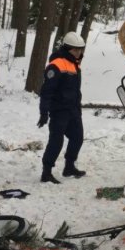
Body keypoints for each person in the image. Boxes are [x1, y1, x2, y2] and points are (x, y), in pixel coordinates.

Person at [37, 32, 87, 183]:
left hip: (73, 110)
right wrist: (44, 112)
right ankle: (46, 172)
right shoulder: (56, 65)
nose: (79, 52)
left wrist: (77, 108)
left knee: (77, 138)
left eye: (80, 49)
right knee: (56, 141)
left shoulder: (75, 64)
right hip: (59, 111)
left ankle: (69, 167)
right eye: (75, 49)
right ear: (67, 48)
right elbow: (47, 92)